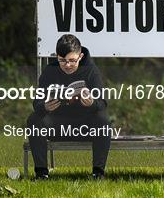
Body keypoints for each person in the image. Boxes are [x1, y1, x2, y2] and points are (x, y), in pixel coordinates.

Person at [26, 34, 111, 180]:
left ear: (80, 56)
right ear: (57, 56)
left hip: (84, 125)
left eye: (72, 60)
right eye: (62, 61)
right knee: (34, 120)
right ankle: (41, 174)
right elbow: (37, 103)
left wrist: (92, 103)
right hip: (57, 123)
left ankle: (98, 173)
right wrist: (45, 106)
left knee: (103, 121)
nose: (67, 65)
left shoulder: (91, 70)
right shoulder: (49, 71)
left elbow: (102, 103)